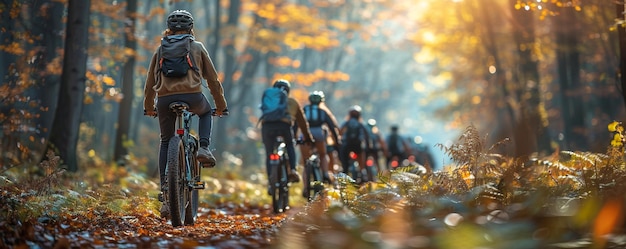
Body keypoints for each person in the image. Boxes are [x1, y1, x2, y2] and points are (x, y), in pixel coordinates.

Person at [143, 10, 228, 218]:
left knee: (165, 141)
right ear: (191, 28)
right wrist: (220, 105)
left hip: (164, 100)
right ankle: (205, 148)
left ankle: (165, 192)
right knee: (206, 113)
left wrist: (149, 107)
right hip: (193, 97)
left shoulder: (160, 49)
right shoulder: (197, 47)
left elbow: (149, 84)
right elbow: (213, 81)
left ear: (169, 29)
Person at [261, 79, 314, 189]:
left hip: (267, 126)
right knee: (290, 145)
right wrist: (308, 137)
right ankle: (293, 170)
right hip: (284, 126)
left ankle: (271, 180)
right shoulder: (292, 102)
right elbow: (302, 123)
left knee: (269, 153)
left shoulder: (270, 100)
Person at [299, 91, 341, 184]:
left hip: (305, 134)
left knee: (306, 161)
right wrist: (337, 140)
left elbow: (296, 123)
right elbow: (331, 126)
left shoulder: (304, 109)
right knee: (323, 154)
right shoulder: (323, 112)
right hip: (319, 133)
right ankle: (325, 173)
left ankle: (305, 187)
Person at [338, 105, 370, 182]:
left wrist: (339, 141)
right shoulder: (360, 124)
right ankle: (363, 173)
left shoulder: (346, 122)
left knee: (344, 163)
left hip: (347, 145)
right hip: (358, 145)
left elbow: (340, 132)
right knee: (361, 158)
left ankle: (344, 174)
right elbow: (367, 135)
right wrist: (368, 145)